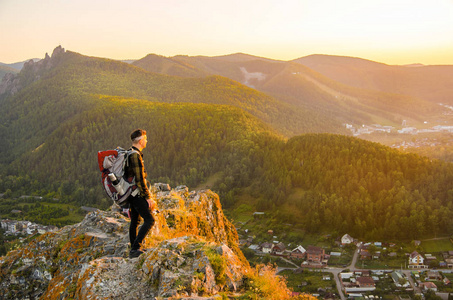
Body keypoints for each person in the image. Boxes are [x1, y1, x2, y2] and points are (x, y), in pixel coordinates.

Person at [124, 129, 157, 258]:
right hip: (136, 194)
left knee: (135, 221)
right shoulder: (135, 155)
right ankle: (136, 247)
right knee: (149, 220)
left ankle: (134, 248)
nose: (147, 141)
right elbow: (139, 179)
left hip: (130, 193)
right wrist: (148, 197)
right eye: (145, 138)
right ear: (140, 140)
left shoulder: (128, 152)